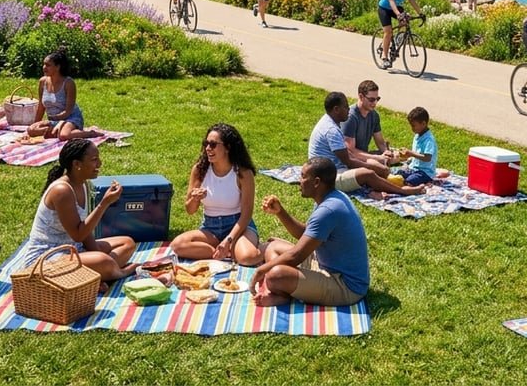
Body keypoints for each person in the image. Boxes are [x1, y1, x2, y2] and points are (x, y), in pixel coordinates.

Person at [250, 157, 369, 308]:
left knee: (275, 275)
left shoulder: (328, 210)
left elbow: (296, 256)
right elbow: (307, 234)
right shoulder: (330, 198)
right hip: (323, 263)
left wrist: (262, 270)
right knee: (271, 247)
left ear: (317, 182)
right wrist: (280, 212)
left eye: (303, 176)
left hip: (345, 286)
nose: (299, 180)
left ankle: (283, 294)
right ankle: (285, 290)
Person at [15, 139, 137, 284]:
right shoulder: (62, 191)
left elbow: (84, 231)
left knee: (127, 244)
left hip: (73, 250)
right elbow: (78, 234)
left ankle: (95, 276)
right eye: (94, 159)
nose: (99, 164)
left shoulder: (82, 183)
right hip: (47, 258)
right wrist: (104, 203)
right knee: (104, 261)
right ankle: (117, 273)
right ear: (77, 164)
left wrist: (95, 251)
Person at [170, 123, 263, 265]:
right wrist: (194, 200)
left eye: (213, 144)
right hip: (210, 227)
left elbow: (246, 213)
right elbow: (190, 210)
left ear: (227, 147)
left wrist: (229, 239)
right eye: (206, 143)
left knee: (247, 258)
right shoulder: (200, 170)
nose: (208, 148)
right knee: (177, 245)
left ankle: (267, 247)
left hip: (238, 226)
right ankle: (225, 252)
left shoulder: (243, 173)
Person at [308, 91, 425, 197]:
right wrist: (373, 167)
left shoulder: (330, 122)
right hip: (327, 179)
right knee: (368, 174)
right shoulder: (331, 130)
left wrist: (373, 162)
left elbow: (348, 155)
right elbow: (349, 161)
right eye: (345, 106)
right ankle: (403, 191)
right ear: (336, 109)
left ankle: (384, 185)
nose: (348, 109)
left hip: (333, 170)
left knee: (373, 166)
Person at [28, 50, 96, 140]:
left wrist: (55, 118)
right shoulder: (43, 81)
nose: (44, 67)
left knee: (64, 135)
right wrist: (35, 125)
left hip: (70, 118)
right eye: (44, 64)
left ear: (58, 67)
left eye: (48, 65)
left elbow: (68, 112)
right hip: (53, 120)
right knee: (30, 130)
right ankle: (55, 131)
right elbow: (41, 107)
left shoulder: (68, 83)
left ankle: (90, 133)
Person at [377, 0, 424, 69]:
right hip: (384, 9)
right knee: (388, 32)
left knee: (405, 21)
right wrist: (398, 14)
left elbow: (412, 1)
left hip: (396, 8)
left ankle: (396, 40)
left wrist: (420, 13)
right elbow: (391, 1)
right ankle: (385, 58)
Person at [342, 80, 392, 165]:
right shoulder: (350, 117)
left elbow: (380, 142)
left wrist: (387, 153)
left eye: (377, 99)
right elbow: (351, 151)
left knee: (395, 158)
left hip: (364, 156)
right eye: (371, 99)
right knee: (378, 166)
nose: (375, 103)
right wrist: (379, 158)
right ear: (361, 96)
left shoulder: (374, 115)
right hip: (351, 160)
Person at [399, 107, 437, 186]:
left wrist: (411, 153)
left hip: (425, 172)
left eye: (413, 126)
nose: (412, 128)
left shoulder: (429, 139)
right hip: (414, 168)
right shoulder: (417, 135)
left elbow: (427, 158)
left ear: (423, 123)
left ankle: (420, 188)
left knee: (409, 181)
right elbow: (415, 153)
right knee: (399, 175)